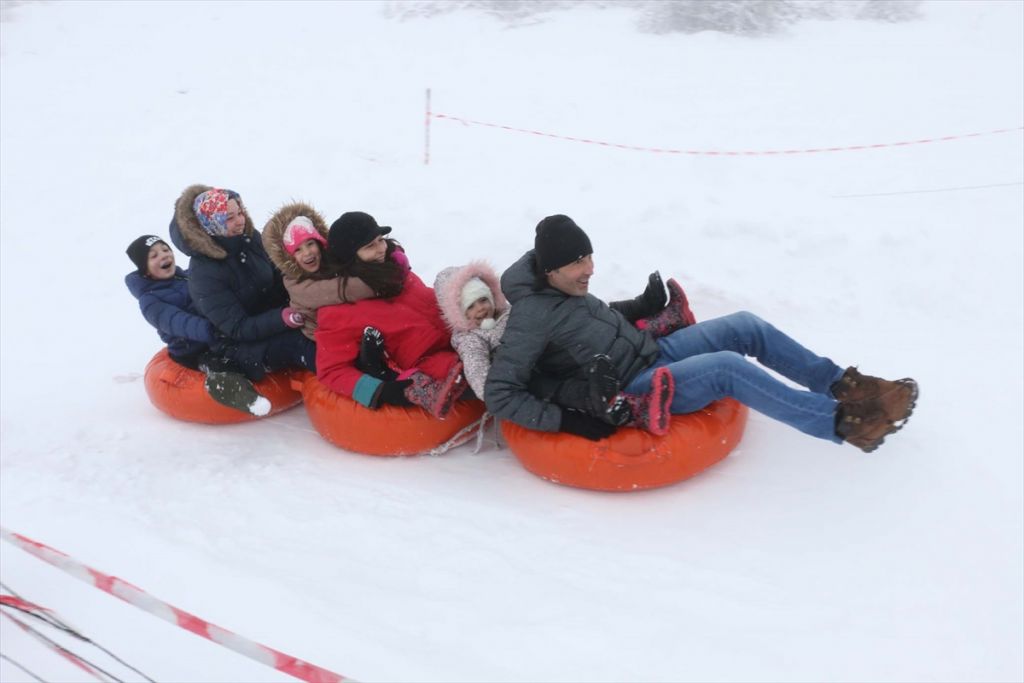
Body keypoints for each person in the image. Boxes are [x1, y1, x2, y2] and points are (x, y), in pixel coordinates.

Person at [485, 215, 919, 452]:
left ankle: (842, 385)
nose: (590, 269)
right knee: (729, 368)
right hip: (638, 385)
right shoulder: (531, 319)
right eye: (579, 262)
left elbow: (595, 321)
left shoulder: (565, 288)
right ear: (551, 270)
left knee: (745, 325)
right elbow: (501, 393)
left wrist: (640, 306)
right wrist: (570, 419)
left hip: (653, 351)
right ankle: (841, 423)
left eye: (590, 256)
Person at [432, 260, 676, 434]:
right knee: (556, 386)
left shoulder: (511, 312)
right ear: (458, 313)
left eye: (483, 300)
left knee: (581, 318)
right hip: (534, 375)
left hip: (555, 350)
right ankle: (616, 403)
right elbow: (483, 381)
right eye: (470, 307)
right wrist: (505, 377)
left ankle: (648, 313)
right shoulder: (470, 339)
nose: (481, 309)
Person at [314, 211, 466, 417]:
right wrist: (381, 391)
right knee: (496, 375)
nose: (381, 250)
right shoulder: (338, 310)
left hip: (461, 338)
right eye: (370, 246)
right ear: (350, 258)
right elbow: (331, 371)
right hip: (435, 366)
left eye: (380, 241)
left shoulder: (396, 272)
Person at [168, 185, 316, 382]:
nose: (240, 221)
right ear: (210, 223)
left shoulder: (249, 238)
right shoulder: (204, 274)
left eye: (240, 212)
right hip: (239, 346)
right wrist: (283, 318)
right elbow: (238, 328)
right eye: (229, 218)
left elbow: (277, 275)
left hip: (275, 318)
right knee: (303, 343)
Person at [124, 234, 270, 415]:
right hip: (192, 350)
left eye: (165, 249)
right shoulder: (150, 300)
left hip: (217, 337)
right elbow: (176, 321)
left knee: (251, 346)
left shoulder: (186, 276)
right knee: (220, 364)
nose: (163, 256)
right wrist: (211, 329)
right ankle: (239, 394)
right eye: (153, 256)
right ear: (145, 270)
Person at [262, 203, 379, 340]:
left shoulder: (329, 259)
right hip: (322, 337)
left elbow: (357, 250)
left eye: (310, 244)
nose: (307, 253)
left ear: (319, 242)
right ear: (288, 257)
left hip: (347, 323)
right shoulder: (295, 284)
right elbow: (343, 290)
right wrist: (378, 282)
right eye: (297, 250)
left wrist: (389, 254)